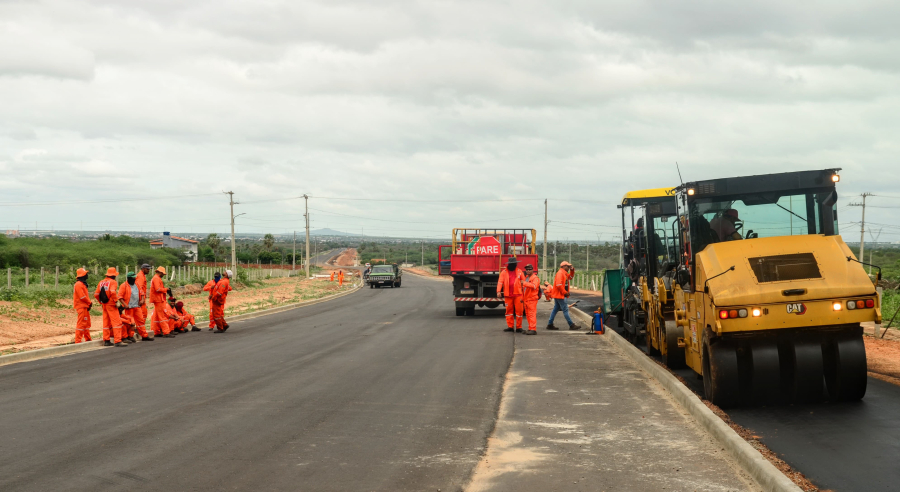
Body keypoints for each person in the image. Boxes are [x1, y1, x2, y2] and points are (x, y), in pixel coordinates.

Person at [94, 267, 127, 347]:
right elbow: (112, 292)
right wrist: (116, 301)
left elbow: (96, 294)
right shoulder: (113, 282)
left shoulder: (101, 282)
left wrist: (101, 302)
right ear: (114, 275)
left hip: (104, 305)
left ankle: (106, 340)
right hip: (111, 305)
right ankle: (118, 341)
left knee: (106, 323)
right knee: (117, 323)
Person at [118, 271, 152, 342]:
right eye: (133, 278)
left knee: (141, 321)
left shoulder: (137, 284)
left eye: (135, 278)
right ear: (129, 278)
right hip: (129, 307)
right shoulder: (123, 285)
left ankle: (144, 335)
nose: (134, 279)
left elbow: (141, 292)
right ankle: (130, 336)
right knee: (130, 322)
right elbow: (120, 297)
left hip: (137, 306)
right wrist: (125, 304)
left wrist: (142, 299)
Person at [547, 261, 580, 330]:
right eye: (567, 266)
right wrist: (565, 292)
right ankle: (571, 325)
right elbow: (558, 285)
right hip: (560, 295)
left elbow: (570, 277)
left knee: (555, 309)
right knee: (565, 310)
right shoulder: (560, 273)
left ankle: (550, 324)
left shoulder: (564, 273)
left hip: (559, 295)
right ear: (563, 266)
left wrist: (572, 270)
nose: (568, 267)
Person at [497, 257, 525, 333]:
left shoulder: (520, 272)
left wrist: (525, 293)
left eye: (514, 264)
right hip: (508, 295)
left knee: (519, 311)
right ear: (509, 264)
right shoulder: (504, 272)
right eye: (512, 264)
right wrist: (498, 291)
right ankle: (510, 326)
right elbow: (500, 282)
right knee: (508, 311)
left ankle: (519, 327)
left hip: (518, 294)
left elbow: (524, 282)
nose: (513, 265)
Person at [149, 266, 175, 338]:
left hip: (158, 299)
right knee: (162, 316)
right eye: (163, 273)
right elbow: (157, 289)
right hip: (158, 299)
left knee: (157, 317)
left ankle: (156, 331)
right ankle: (166, 332)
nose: (163, 275)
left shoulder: (156, 278)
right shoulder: (156, 278)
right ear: (160, 272)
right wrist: (166, 289)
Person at [72, 268, 93, 343]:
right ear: (83, 275)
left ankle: (88, 339)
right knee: (81, 324)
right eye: (85, 273)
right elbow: (82, 296)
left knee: (86, 323)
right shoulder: (79, 284)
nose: (87, 275)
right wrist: (89, 302)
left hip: (84, 306)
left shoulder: (82, 284)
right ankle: (78, 341)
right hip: (81, 306)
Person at [522, 264, 541, 335]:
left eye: (529, 269)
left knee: (532, 314)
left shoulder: (535, 278)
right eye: (527, 269)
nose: (528, 271)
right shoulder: (526, 277)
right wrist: (522, 298)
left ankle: (533, 329)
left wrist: (524, 283)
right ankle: (530, 328)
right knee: (528, 314)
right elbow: (524, 290)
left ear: (532, 270)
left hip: (532, 299)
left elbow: (534, 286)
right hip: (527, 299)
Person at [135, 264, 151, 335]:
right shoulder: (141, 276)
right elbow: (139, 288)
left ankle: (140, 329)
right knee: (142, 314)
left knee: (143, 314)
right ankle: (140, 329)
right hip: (141, 298)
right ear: (143, 269)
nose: (148, 271)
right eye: (147, 269)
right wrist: (141, 298)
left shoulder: (142, 275)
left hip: (141, 298)